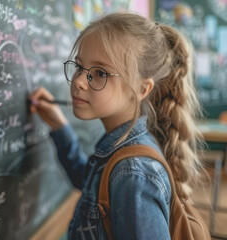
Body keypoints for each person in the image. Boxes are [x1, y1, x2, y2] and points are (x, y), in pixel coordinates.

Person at [29, 12, 204, 239]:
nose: (79, 81)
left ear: (142, 89)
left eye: (99, 73)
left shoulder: (132, 172)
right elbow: (89, 181)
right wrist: (59, 125)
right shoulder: (121, 148)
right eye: (79, 67)